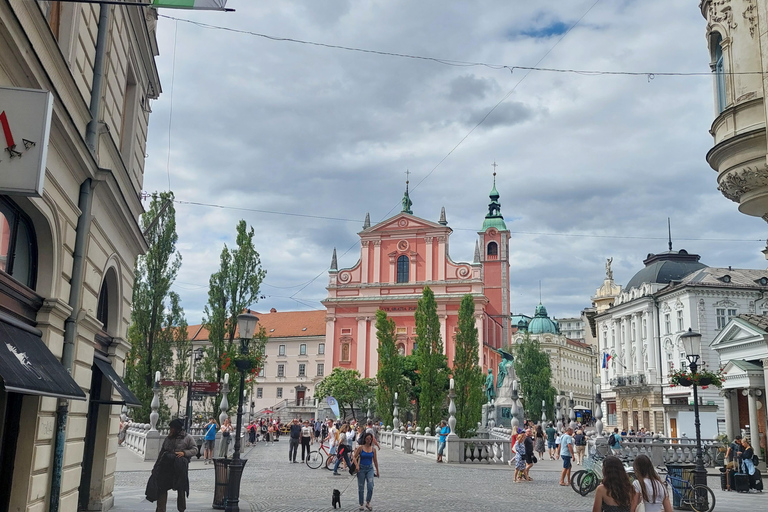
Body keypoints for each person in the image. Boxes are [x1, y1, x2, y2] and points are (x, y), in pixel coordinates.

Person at [146, 419, 197, 512]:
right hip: (166, 466)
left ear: (177, 428)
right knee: (162, 487)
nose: (171, 430)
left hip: (180, 466)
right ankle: (160, 510)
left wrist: (184, 453)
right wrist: (156, 466)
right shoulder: (168, 438)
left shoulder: (187, 437)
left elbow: (195, 449)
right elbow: (162, 452)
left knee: (181, 489)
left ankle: (181, 509)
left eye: (172, 428)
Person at [352, 432, 379, 511]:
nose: (369, 440)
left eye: (370, 439)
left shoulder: (373, 450)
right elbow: (354, 457)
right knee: (361, 487)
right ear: (365, 439)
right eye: (367, 439)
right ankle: (361, 503)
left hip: (370, 468)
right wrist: (357, 465)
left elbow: (375, 460)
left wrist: (377, 470)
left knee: (370, 485)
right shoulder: (361, 447)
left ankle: (368, 502)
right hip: (361, 468)